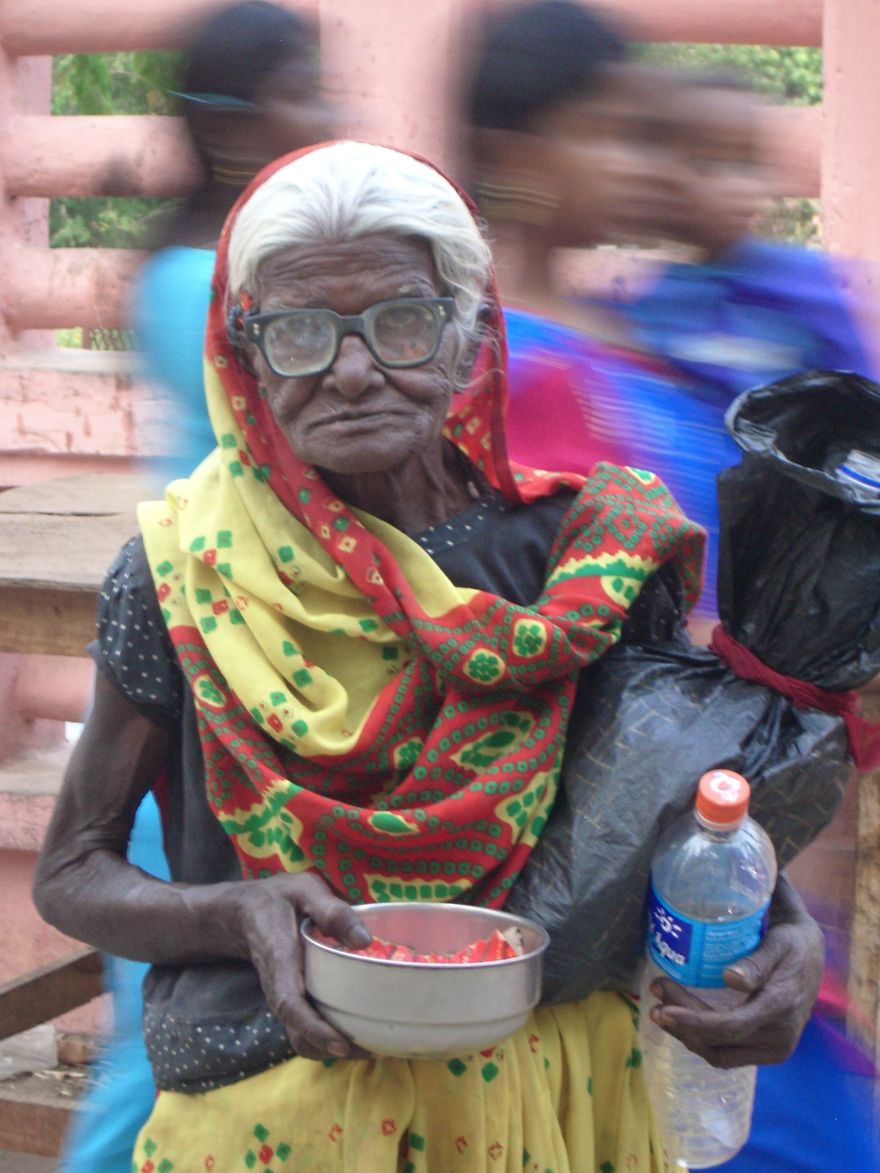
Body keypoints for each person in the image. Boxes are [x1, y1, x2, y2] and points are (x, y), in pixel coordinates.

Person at [35, 142, 827, 1172]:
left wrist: (784, 930)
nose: (352, 370)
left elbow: (681, 809)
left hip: (552, 1096)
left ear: (469, 340)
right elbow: (73, 873)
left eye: (401, 323)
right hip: (274, 1107)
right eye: (300, 333)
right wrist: (235, 913)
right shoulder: (185, 571)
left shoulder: (584, 559)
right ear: (246, 353)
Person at [134, 0, 335, 483]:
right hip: (230, 544)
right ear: (227, 128)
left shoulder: (207, 260)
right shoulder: (195, 282)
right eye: (301, 95)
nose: (326, 119)